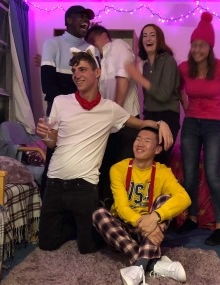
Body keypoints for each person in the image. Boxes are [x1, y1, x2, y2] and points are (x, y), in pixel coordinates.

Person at [36, 51, 174, 255]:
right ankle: (73, 225)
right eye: (74, 71)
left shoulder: (110, 109)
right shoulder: (60, 102)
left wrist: (162, 123)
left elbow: (140, 123)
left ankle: (84, 226)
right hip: (55, 182)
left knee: (88, 248)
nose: (76, 75)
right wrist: (45, 135)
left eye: (82, 69)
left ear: (97, 72)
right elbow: (52, 144)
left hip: (85, 186)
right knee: (46, 244)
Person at [92, 127, 191, 285]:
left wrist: (155, 217)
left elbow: (184, 198)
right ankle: (153, 264)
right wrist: (143, 223)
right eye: (138, 139)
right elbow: (122, 207)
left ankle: (137, 269)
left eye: (147, 141)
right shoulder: (118, 169)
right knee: (99, 214)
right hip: (123, 231)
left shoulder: (162, 172)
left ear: (157, 149)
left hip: (148, 232)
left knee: (165, 200)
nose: (140, 144)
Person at [177, 12, 220, 245]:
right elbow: (178, 89)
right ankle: (192, 217)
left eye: (202, 45)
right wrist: (186, 109)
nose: (197, 49)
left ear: (210, 47)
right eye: (194, 45)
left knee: (213, 175)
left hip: (215, 125)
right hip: (191, 125)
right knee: (189, 175)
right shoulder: (184, 67)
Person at [39, 5, 98, 198]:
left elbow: (95, 85)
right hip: (59, 111)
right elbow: (48, 84)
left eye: (87, 17)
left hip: (87, 112)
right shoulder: (52, 43)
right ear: (67, 20)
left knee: (84, 157)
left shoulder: (93, 50)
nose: (85, 20)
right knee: (55, 155)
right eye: (80, 16)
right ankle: (49, 206)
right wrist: (67, 109)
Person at [85, 24, 140, 207]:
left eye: (92, 40)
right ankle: (107, 210)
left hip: (125, 120)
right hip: (110, 123)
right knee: (107, 167)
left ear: (102, 36)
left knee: (122, 168)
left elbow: (123, 77)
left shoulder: (118, 46)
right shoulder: (101, 59)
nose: (92, 44)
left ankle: (124, 214)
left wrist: (115, 110)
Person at [125, 24, 181, 166]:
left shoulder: (168, 60)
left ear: (159, 39)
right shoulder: (145, 66)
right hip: (150, 117)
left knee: (159, 162)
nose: (148, 39)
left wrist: (139, 78)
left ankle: (160, 189)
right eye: (144, 35)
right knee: (143, 160)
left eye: (152, 35)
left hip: (167, 117)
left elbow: (164, 95)